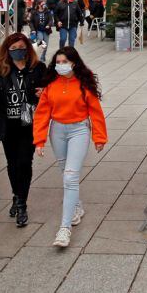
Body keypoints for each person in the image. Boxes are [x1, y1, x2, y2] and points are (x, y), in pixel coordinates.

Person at [33, 47, 107, 247]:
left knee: (70, 176)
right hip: (57, 132)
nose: (61, 65)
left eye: (65, 61)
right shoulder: (50, 85)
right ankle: (76, 206)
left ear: (74, 63)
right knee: (64, 171)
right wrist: (39, 140)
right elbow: (42, 113)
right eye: (58, 62)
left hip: (79, 131)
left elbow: (95, 111)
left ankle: (64, 229)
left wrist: (99, 137)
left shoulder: (84, 84)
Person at [0, 33, 45, 228]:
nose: (17, 51)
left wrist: (44, 94)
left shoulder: (38, 69)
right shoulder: (0, 71)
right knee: (12, 164)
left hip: (28, 125)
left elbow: (48, 94)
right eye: (12, 49)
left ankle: (21, 204)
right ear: (7, 51)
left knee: (24, 163)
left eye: (20, 47)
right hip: (8, 125)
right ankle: (16, 194)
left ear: (27, 48)